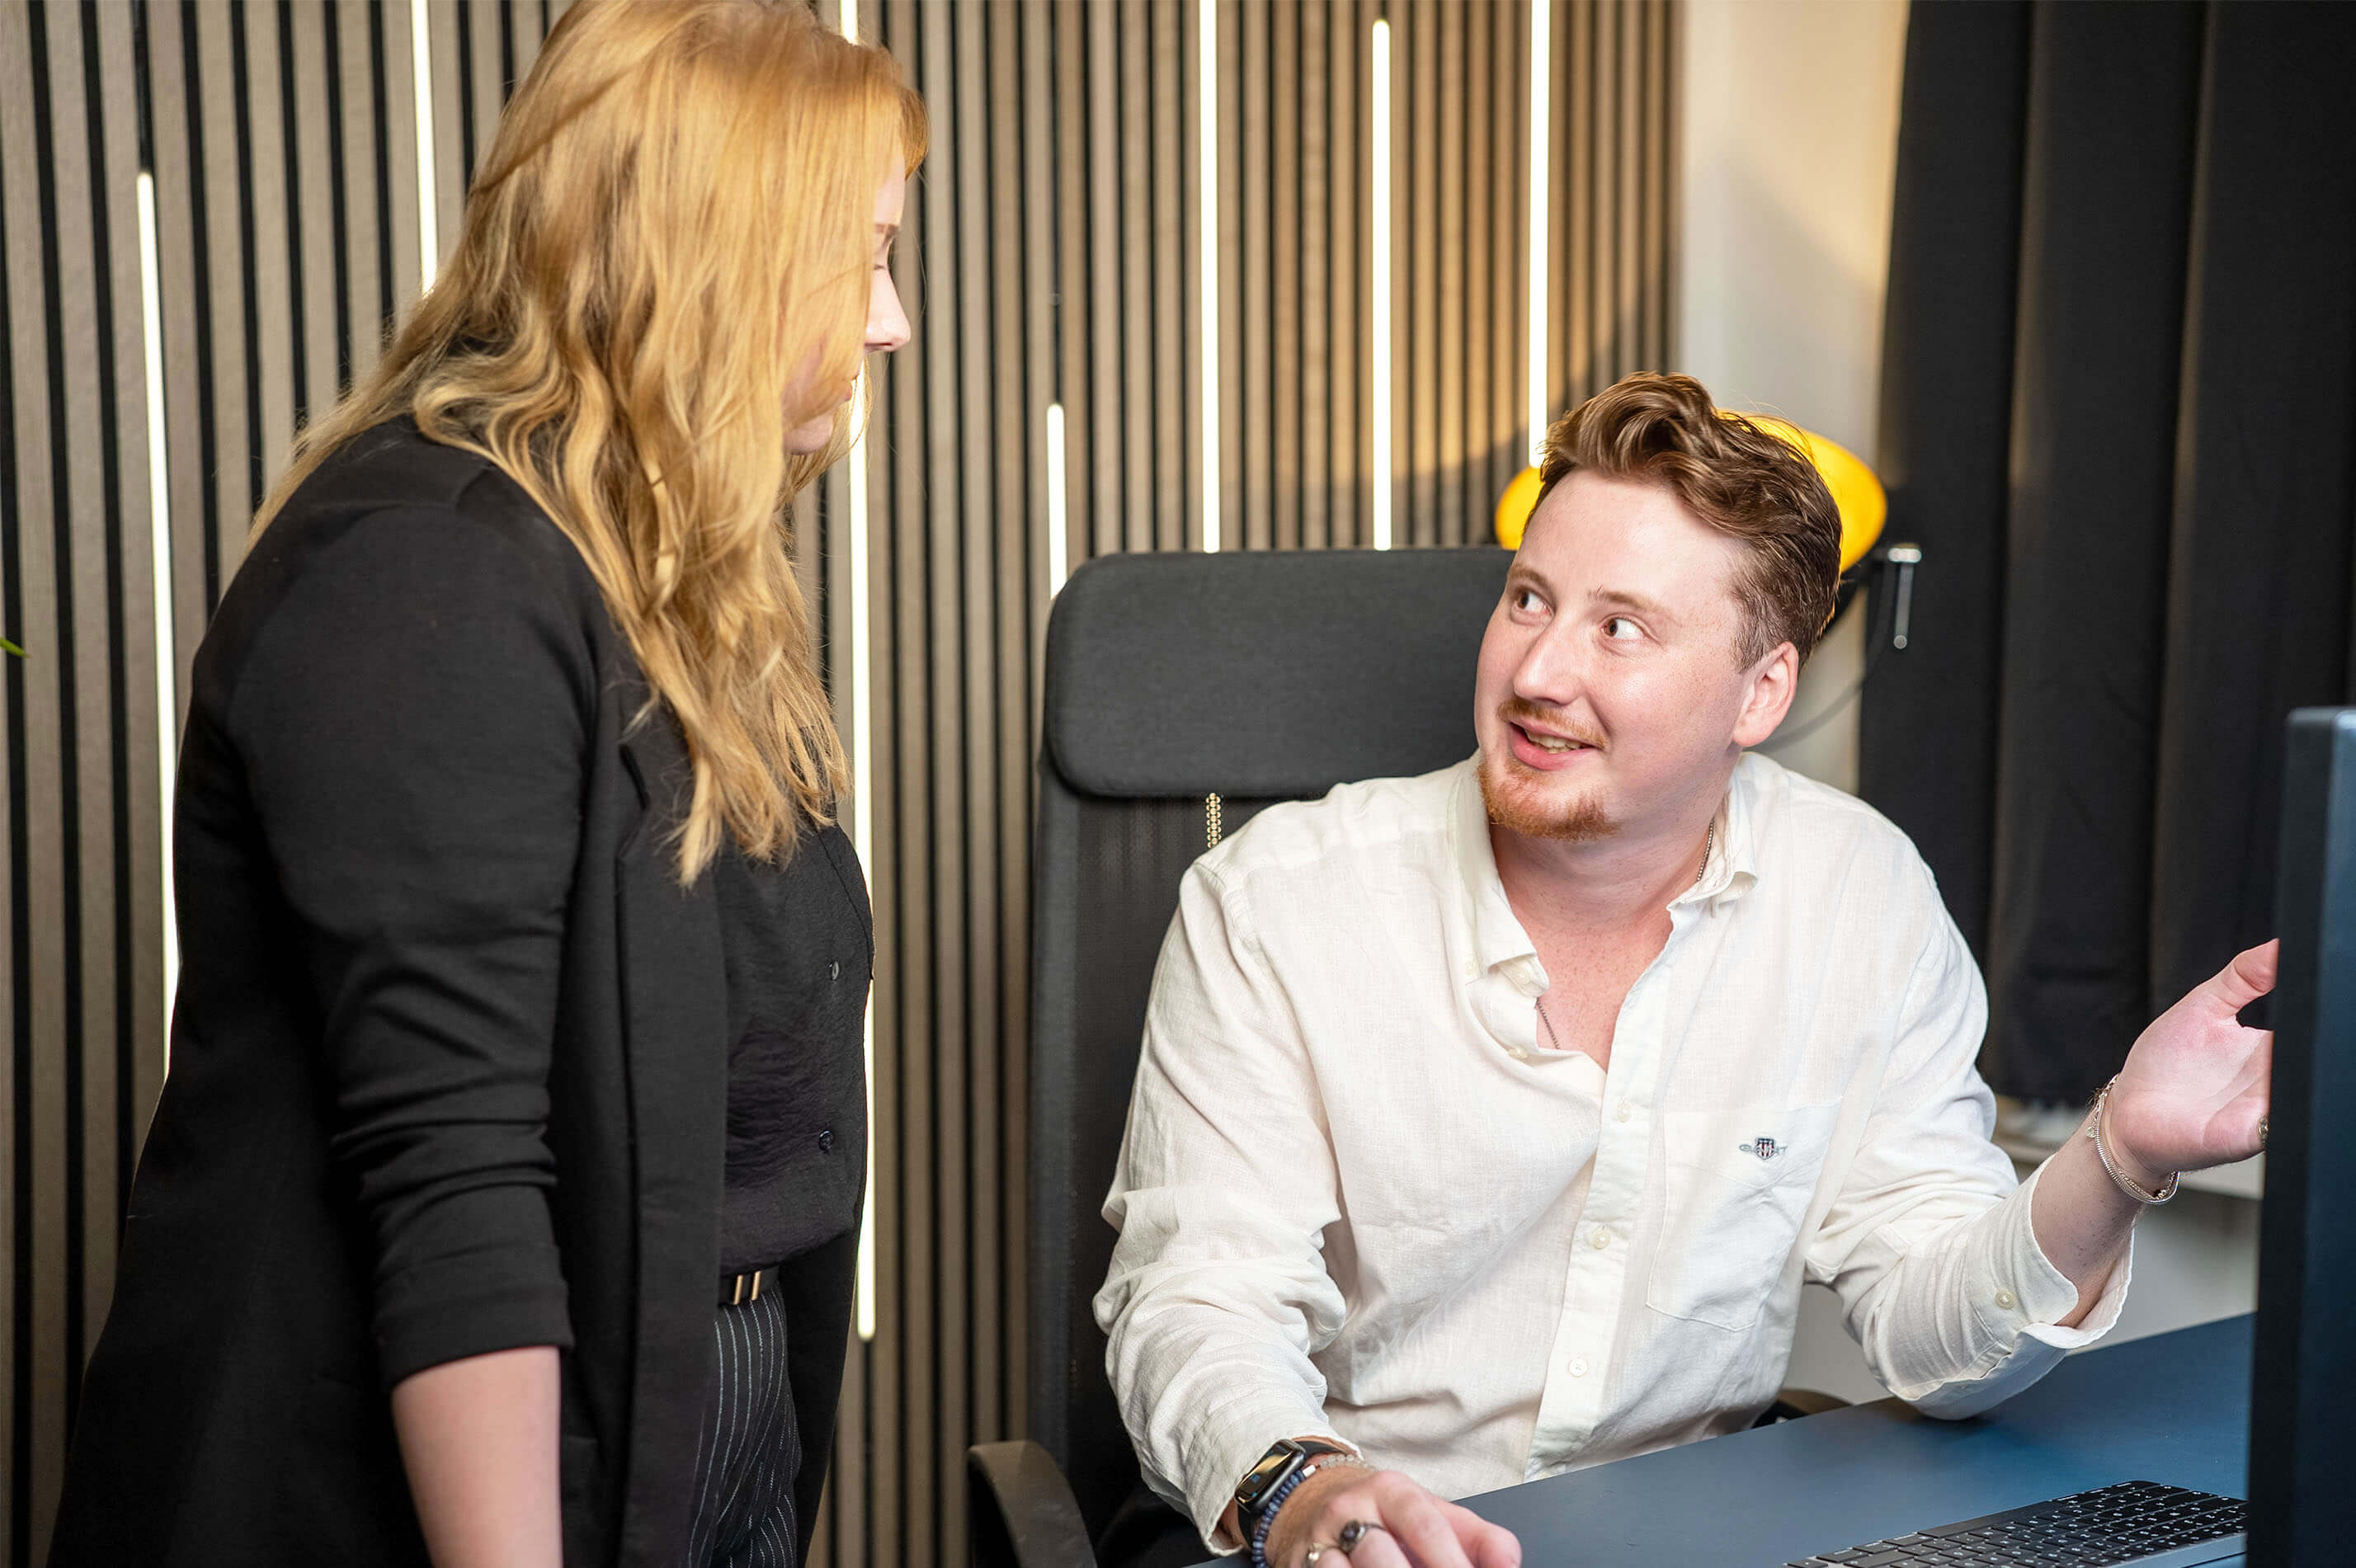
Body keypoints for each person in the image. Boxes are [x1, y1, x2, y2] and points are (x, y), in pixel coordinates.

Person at [1096, 373, 2274, 1568]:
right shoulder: (1275, 899)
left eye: (1619, 627)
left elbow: (1939, 1339)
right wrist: (1309, 1493)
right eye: (1528, 601)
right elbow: (1199, 1301)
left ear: (1760, 691)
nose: (1539, 673)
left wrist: (2120, 1152)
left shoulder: (1856, 894)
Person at [49, 3, 920, 1565]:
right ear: (712, 252)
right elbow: (458, 1195)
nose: (889, 322)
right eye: (862, 255)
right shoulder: (424, 574)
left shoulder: (668, 583)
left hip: (700, 1430)